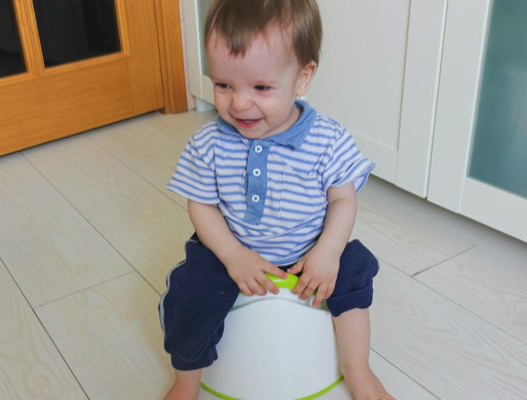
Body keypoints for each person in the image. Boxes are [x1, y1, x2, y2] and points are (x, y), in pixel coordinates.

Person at [159, 0, 394, 399]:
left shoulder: (328, 139)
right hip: (232, 250)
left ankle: (357, 369)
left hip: (307, 252)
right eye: (223, 85)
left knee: (355, 268)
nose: (238, 103)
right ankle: (187, 382)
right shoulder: (209, 142)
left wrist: (329, 250)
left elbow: (343, 200)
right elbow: (201, 204)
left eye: (261, 88)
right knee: (189, 289)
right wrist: (232, 254)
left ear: (303, 78)